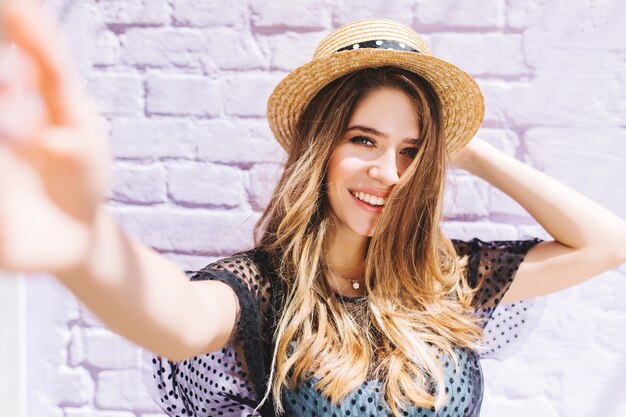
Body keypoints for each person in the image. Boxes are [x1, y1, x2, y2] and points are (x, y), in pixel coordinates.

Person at [1, 2, 625, 417]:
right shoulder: (263, 290)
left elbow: (607, 244)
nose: (389, 172)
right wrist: (84, 242)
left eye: (411, 150)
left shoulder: (447, 280)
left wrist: (464, 148)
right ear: (319, 148)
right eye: (364, 140)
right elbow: (176, 320)